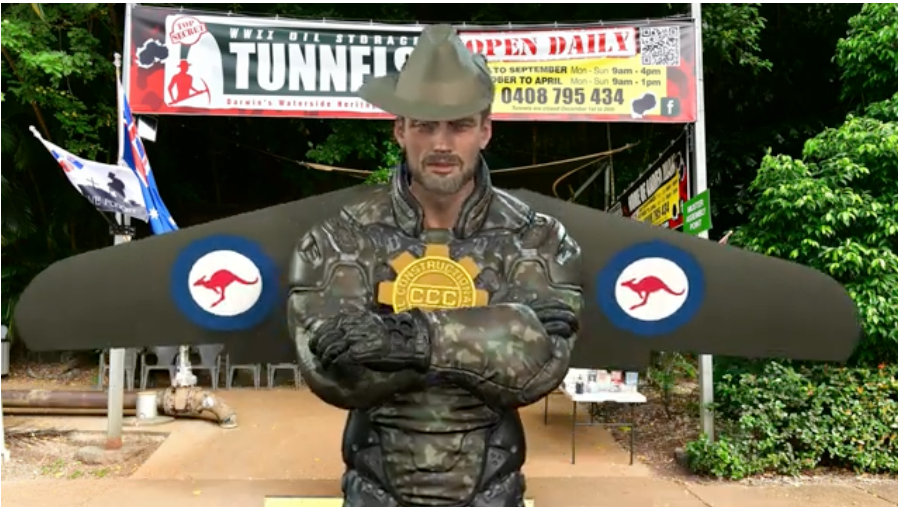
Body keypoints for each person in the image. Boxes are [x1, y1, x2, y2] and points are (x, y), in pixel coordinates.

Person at [287, 24, 583, 507]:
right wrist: (502, 330)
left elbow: (538, 369)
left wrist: (402, 340)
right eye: (425, 124)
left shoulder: (538, 238)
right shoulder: (339, 239)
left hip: (493, 490)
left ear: (485, 130)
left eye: (460, 124)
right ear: (400, 129)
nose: (441, 143)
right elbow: (332, 372)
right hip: (374, 491)